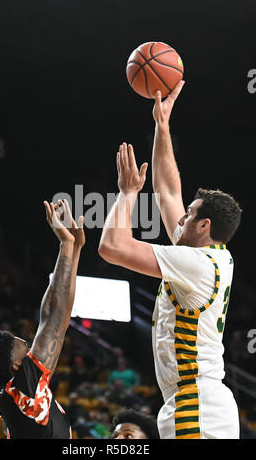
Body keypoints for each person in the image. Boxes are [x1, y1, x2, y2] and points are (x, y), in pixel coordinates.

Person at [99, 81, 242, 439]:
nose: (180, 218)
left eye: (189, 215)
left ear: (205, 225)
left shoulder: (196, 265)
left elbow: (112, 247)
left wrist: (127, 193)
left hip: (195, 403)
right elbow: (166, 191)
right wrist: (162, 127)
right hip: (201, 399)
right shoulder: (208, 255)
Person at [0, 199, 85, 439]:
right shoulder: (25, 388)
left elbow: (56, 314)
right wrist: (66, 244)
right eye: (19, 344)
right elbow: (54, 317)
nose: (26, 342)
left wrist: (73, 250)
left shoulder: (21, 393)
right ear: (15, 364)